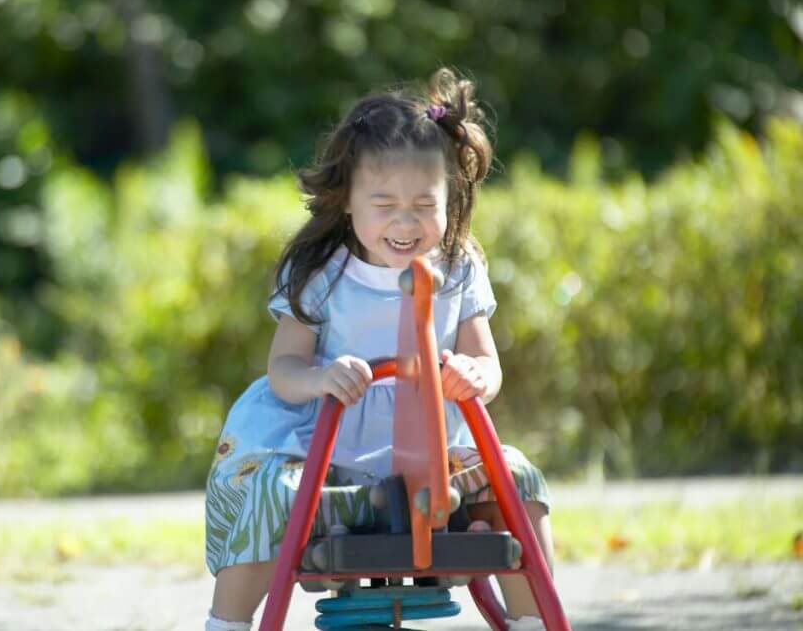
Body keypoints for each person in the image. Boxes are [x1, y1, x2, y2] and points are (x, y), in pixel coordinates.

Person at [204, 68, 553, 631]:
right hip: (328, 453)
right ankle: (229, 622)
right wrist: (320, 378)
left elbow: (489, 365)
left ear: (451, 197)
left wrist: (473, 375)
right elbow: (283, 369)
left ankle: (534, 620)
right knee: (268, 490)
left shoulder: (459, 267)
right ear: (347, 201)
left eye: (423, 204)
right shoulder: (321, 272)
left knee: (519, 477)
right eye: (383, 203)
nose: (405, 221)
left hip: (432, 456)